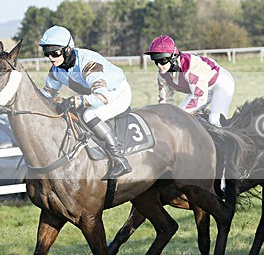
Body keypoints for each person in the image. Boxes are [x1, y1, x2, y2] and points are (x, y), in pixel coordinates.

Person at [39, 25, 132, 178]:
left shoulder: (89, 63)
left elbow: (101, 98)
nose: (50, 57)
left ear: (67, 49)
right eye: (47, 53)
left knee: (89, 114)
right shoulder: (56, 70)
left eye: (54, 52)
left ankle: (119, 160)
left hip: (116, 92)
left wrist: (74, 100)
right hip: (97, 95)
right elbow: (47, 94)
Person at [144, 35, 235, 127]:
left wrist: (181, 114)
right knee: (180, 121)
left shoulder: (190, 67)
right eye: (155, 60)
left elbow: (200, 97)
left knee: (215, 120)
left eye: (163, 60)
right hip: (197, 88)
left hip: (220, 83)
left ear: (173, 56)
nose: (159, 65)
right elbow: (165, 101)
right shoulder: (162, 75)